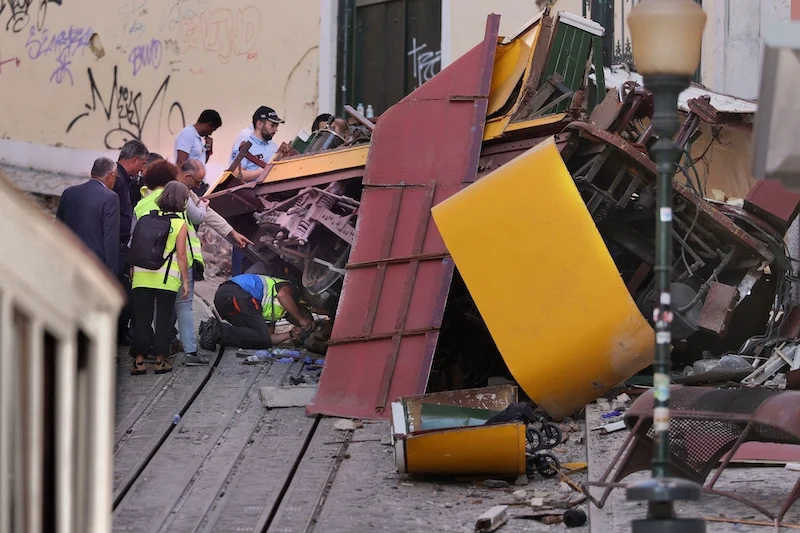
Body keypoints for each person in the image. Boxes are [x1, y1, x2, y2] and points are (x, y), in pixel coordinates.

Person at [134, 159, 253, 365]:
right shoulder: (179, 196)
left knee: (152, 310)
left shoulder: (143, 201)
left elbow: (133, 237)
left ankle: (146, 355)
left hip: (146, 264)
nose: (199, 187)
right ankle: (189, 352)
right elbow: (200, 217)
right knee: (184, 305)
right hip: (176, 263)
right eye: (197, 182)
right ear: (182, 177)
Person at [130, 180, 191, 375]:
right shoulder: (180, 223)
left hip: (141, 275)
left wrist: (132, 269)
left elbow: (135, 245)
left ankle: (138, 362)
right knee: (163, 319)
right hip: (166, 279)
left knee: (141, 318)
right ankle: (160, 360)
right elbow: (181, 254)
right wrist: (186, 281)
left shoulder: (145, 218)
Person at [198, 274, 315, 351]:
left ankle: (212, 331)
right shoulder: (290, 290)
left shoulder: (275, 314)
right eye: (305, 318)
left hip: (227, 302)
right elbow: (282, 295)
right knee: (261, 337)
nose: (300, 324)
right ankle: (218, 330)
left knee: (258, 338)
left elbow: (267, 339)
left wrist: (290, 335)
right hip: (236, 293)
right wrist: (301, 319)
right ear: (300, 308)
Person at [56, 157, 120, 276]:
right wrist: (112, 272)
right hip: (94, 266)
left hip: (67, 260)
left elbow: (58, 227)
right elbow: (110, 238)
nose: (115, 181)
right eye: (116, 177)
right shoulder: (110, 198)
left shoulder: (69, 193)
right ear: (110, 175)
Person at [115, 139, 149, 345]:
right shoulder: (117, 180)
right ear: (135, 159)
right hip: (118, 246)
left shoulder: (124, 179)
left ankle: (121, 333)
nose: (143, 169)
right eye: (142, 164)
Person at [230, 106, 284, 182]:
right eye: (272, 125)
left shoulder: (273, 146)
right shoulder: (243, 145)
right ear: (259, 124)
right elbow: (236, 174)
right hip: (249, 192)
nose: (276, 130)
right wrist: (262, 172)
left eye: (277, 126)